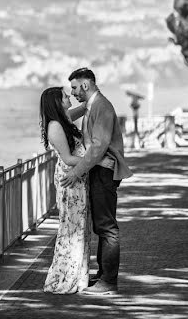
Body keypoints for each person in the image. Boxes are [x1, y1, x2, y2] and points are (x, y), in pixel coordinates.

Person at [60, 67, 133, 296]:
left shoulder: (101, 106)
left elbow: (99, 147)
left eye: (74, 87)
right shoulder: (93, 105)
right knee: (101, 226)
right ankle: (103, 276)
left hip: (103, 172)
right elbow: (66, 118)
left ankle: (109, 282)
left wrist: (76, 172)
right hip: (99, 171)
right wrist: (57, 111)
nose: (72, 93)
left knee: (107, 227)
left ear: (85, 85)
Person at [40, 86, 91, 293]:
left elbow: (85, 107)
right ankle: (64, 277)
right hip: (71, 180)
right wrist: (96, 161)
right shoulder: (55, 126)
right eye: (64, 95)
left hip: (77, 178)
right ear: (56, 103)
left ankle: (77, 275)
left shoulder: (63, 119)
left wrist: (91, 98)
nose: (69, 96)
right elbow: (69, 159)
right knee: (71, 229)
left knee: (79, 228)